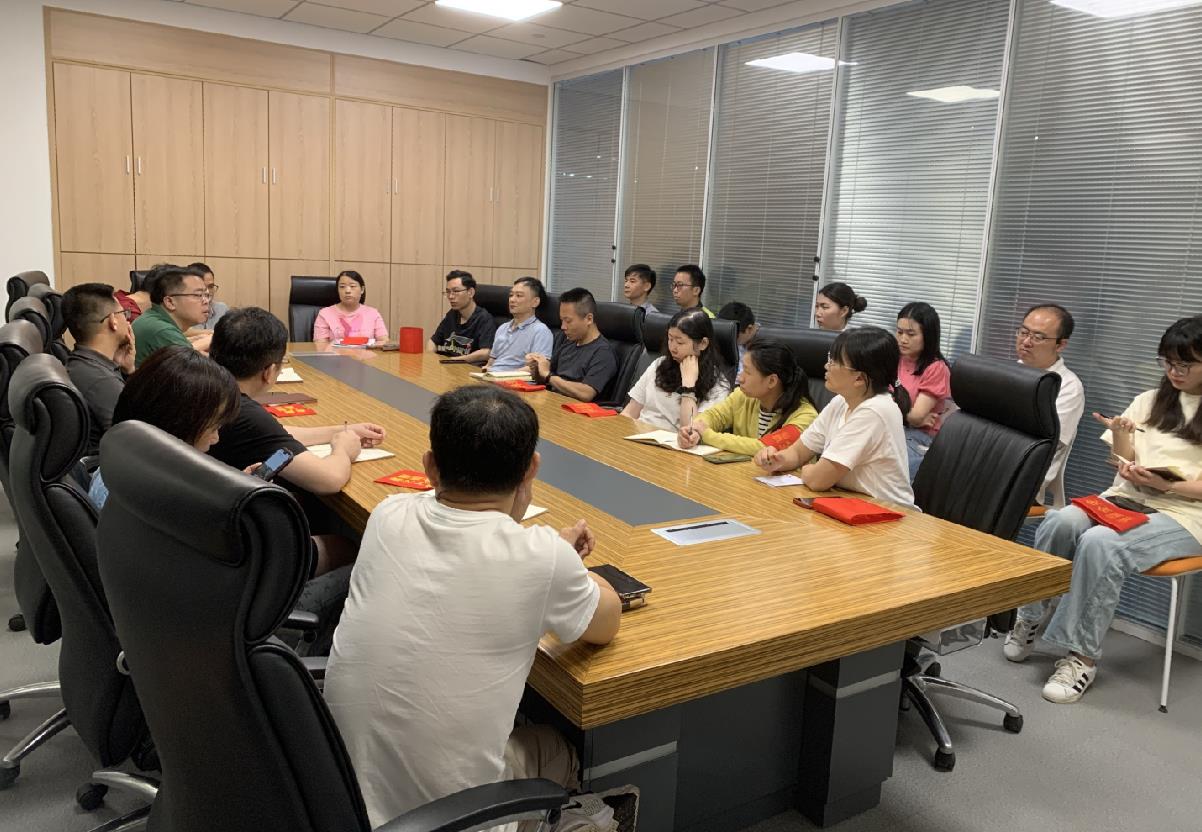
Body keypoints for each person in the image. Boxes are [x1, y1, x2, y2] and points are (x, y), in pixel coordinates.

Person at [324, 384, 621, 827]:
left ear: (429, 465)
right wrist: (565, 563)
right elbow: (607, 622)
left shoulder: (389, 515)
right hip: (447, 820)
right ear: (532, 468)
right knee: (555, 746)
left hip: (332, 796)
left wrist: (550, 559)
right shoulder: (542, 557)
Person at [87, 345, 353, 652]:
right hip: (223, 629)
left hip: (156, 623)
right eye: (213, 426)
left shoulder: (119, 467)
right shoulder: (175, 506)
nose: (216, 438)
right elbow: (254, 563)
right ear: (181, 423)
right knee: (359, 561)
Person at [1004, 316, 1202, 704]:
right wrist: (1125, 444)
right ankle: (1030, 617)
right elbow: (1122, 459)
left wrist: (1166, 484)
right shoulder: (1150, 400)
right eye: (1168, 362)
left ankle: (1081, 658)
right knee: (1060, 521)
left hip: (1184, 515)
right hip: (1126, 497)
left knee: (1101, 543)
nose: (1174, 372)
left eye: (1185, 365)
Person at [207, 308, 386, 560]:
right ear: (269, 371)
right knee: (346, 547)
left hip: (207, 518)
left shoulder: (212, 390)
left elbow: (274, 436)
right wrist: (343, 449)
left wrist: (338, 431)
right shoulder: (242, 412)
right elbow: (329, 480)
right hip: (233, 545)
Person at [754, 327, 915, 510]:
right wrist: (777, 458)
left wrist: (807, 471)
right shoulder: (841, 401)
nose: (826, 366)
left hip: (888, 513)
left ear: (859, 378)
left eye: (834, 361)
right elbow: (798, 453)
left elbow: (818, 480)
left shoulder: (875, 411)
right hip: (850, 504)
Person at [678, 340, 818, 455]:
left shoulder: (806, 417)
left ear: (771, 381)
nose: (740, 378)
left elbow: (763, 446)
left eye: (747, 372)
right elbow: (714, 415)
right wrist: (695, 430)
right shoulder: (743, 396)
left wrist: (708, 435)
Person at [1015, 304, 1085, 505]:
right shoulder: (1008, 371)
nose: (1026, 342)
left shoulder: (1068, 387)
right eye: (1024, 332)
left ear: (1061, 345)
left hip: (1023, 478)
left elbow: (1046, 444)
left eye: (1038, 337)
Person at [622, 309, 729, 432]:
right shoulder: (659, 364)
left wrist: (689, 387)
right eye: (670, 339)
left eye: (680, 342)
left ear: (703, 344)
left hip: (672, 442)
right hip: (638, 434)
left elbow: (690, 432)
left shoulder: (718, 385)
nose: (672, 348)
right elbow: (630, 412)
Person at [62, 283, 136, 456]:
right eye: (125, 314)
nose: (128, 320)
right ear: (113, 321)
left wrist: (129, 370)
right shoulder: (100, 380)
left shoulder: (83, 365)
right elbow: (138, 440)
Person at [526, 288, 617, 403]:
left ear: (589, 319)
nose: (563, 327)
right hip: (553, 402)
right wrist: (537, 369)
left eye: (568, 321)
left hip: (576, 410)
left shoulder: (603, 353)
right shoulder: (568, 341)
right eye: (561, 320)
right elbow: (547, 378)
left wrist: (548, 376)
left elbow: (586, 393)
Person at [895, 302, 952, 481]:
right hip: (892, 429)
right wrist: (908, 415)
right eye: (899, 332)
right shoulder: (892, 358)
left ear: (928, 336)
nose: (903, 339)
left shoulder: (936, 368)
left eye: (911, 334)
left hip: (917, 438)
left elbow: (916, 417)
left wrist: (910, 417)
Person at [131, 264, 211, 366]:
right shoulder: (161, 330)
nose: (206, 301)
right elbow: (196, 370)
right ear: (170, 302)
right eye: (198, 295)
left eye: (206, 295)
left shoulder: (155, 318)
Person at [486, 277, 553, 372]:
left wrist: (502, 375)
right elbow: (492, 361)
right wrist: (486, 369)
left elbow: (538, 368)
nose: (512, 300)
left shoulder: (541, 331)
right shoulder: (503, 327)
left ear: (535, 302)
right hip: (492, 376)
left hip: (514, 379)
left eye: (519, 296)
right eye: (511, 295)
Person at [429, 270, 496, 362]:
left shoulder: (484, 319)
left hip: (468, 367)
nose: (451, 296)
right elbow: (433, 341)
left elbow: (486, 352)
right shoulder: (452, 315)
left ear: (470, 292)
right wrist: (430, 357)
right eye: (448, 292)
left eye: (456, 291)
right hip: (448, 366)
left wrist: (454, 360)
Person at [312, 270, 389, 344]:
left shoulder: (373, 313)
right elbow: (320, 345)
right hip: (335, 353)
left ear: (362, 290)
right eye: (342, 287)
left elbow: (384, 341)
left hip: (366, 353)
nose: (347, 291)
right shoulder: (325, 314)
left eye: (352, 286)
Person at [717, 301, 759, 380]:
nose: (730, 339)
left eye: (734, 336)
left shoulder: (764, 348)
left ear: (749, 329)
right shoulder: (728, 338)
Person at [188, 262, 229, 331]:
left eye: (211, 287)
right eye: (202, 287)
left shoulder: (222, 309)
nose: (208, 292)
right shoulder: (182, 311)